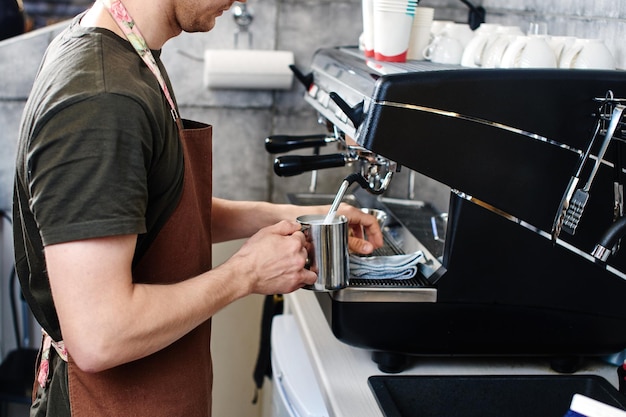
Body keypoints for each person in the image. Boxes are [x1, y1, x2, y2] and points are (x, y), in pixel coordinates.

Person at [12, 0, 384, 415]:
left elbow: (163, 211)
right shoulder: (101, 97)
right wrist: (246, 273)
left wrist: (298, 216)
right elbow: (102, 335)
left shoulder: (128, 53)